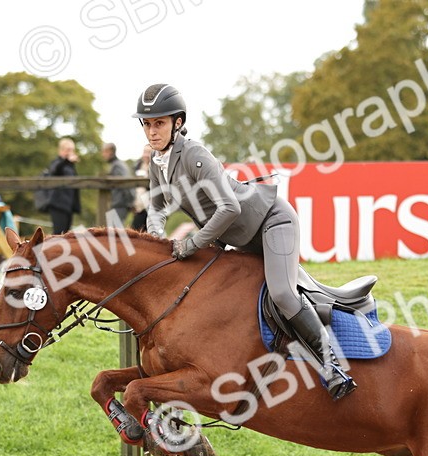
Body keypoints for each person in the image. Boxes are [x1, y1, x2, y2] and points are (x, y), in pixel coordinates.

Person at [134, 83, 354, 400]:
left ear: (177, 123)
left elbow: (230, 207)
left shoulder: (195, 155)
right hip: (232, 237)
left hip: (271, 221)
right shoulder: (158, 161)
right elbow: (156, 207)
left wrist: (193, 243)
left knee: (282, 293)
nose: (152, 132)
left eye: (159, 123)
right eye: (147, 124)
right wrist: (156, 240)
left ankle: (334, 368)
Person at [45, 138, 81, 235]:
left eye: (72, 150)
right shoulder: (57, 162)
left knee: (66, 235)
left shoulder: (70, 166)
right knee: (58, 234)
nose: (70, 152)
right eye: (68, 150)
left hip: (68, 206)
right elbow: (55, 170)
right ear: (61, 150)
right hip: (58, 205)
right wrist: (66, 160)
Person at [101, 142, 136, 227]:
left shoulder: (117, 166)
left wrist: (130, 203)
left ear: (110, 151)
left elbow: (126, 185)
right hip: (118, 204)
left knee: (114, 234)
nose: (102, 155)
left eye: (104, 152)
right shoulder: (117, 165)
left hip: (120, 205)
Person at [129, 144, 152, 232]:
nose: (146, 155)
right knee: (135, 232)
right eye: (144, 152)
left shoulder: (157, 167)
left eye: (148, 152)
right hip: (138, 205)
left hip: (150, 207)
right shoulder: (137, 166)